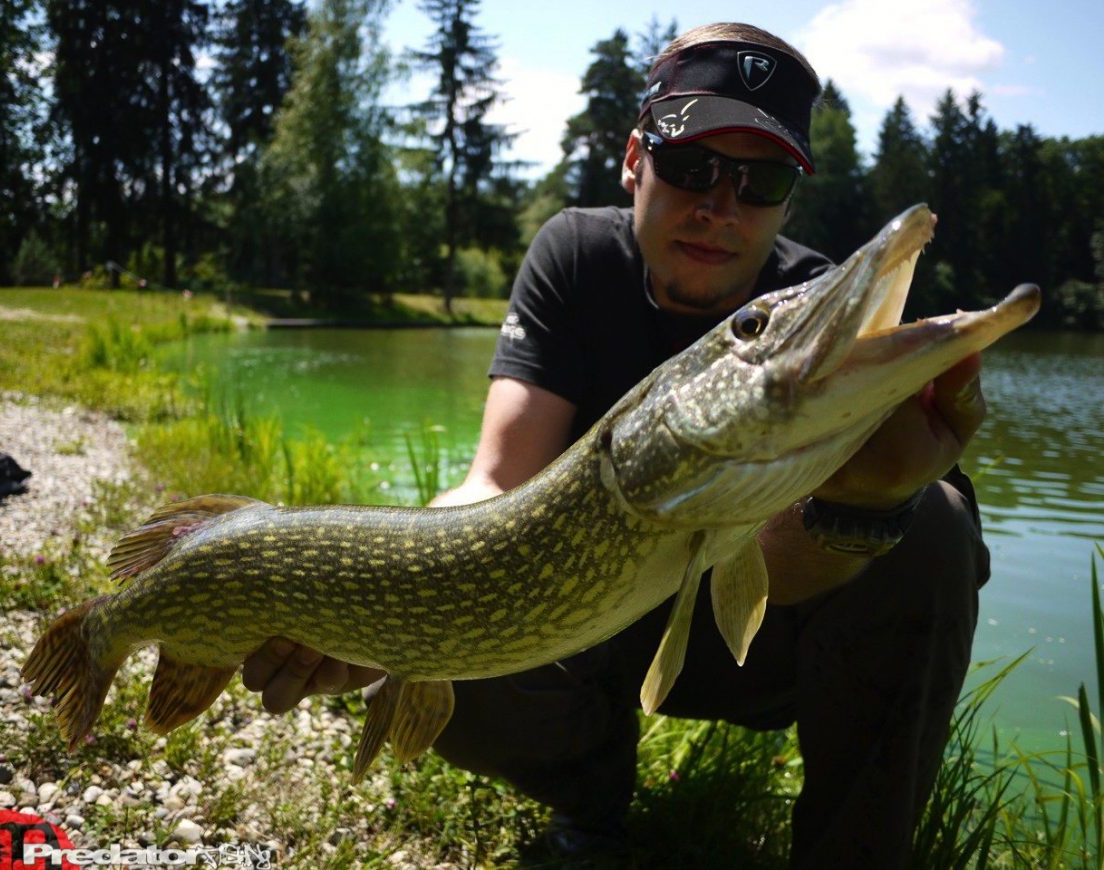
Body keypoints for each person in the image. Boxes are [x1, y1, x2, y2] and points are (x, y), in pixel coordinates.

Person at [241, 22, 990, 868]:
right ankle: (595, 804)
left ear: (787, 201)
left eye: (761, 180)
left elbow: (775, 580)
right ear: (636, 159)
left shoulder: (811, 316)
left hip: (752, 636)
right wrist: (377, 611)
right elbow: (495, 480)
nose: (719, 206)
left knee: (931, 527)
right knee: (452, 632)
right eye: (690, 165)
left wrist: (864, 505)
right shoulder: (574, 254)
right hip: (576, 630)